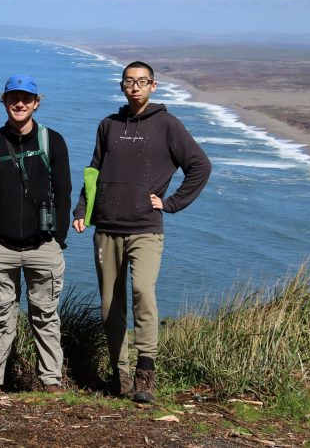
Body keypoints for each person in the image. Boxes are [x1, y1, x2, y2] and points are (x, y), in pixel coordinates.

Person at [72, 61, 211, 403]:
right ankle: (120, 377)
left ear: (153, 85)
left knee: (142, 294)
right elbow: (94, 171)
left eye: (141, 81)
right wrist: (81, 210)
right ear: (121, 86)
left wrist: (171, 203)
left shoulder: (167, 124)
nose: (134, 87)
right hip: (106, 227)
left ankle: (145, 375)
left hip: (146, 228)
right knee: (109, 306)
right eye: (129, 81)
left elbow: (199, 166)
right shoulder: (109, 125)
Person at [0, 75, 71, 395]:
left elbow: (65, 192)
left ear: (36, 102)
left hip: (44, 246)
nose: (20, 103)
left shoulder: (52, 141)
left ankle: (51, 380)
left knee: (45, 315)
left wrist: (59, 237)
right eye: (13, 97)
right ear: (4, 101)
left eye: (26, 98)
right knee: (0, 315)